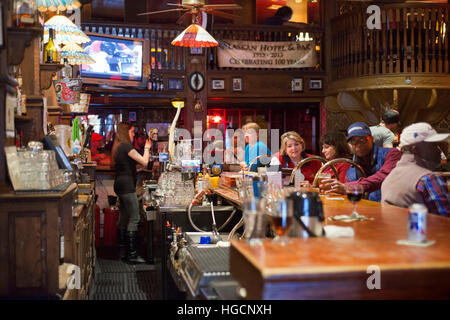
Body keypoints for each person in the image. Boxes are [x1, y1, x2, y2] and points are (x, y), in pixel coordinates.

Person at [320, 122, 401, 201]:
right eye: (353, 141)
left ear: (372, 139)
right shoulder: (352, 168)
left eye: (362, 139)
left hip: (391, 208)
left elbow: (383, 176)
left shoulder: (391, 153)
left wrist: (348, 187)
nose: (358, 144)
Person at [381, 123, 449, 216]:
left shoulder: (391, 176)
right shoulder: (428, 179)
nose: (438, 150)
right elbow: (445, 222)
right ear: (415, 149)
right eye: (433, 145)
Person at [111, 122, 152, 264]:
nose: (133, 134)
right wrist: (147, 148)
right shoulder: (126, 146)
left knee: (123, 218)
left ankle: (122, 252)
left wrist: (138, 170)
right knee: (135, 218)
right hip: (127, 186)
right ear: (125, 132)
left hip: (120, 184)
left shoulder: (119, 147)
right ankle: (132, 255)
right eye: (131, 131)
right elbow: (144, 161)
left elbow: (127, 167)